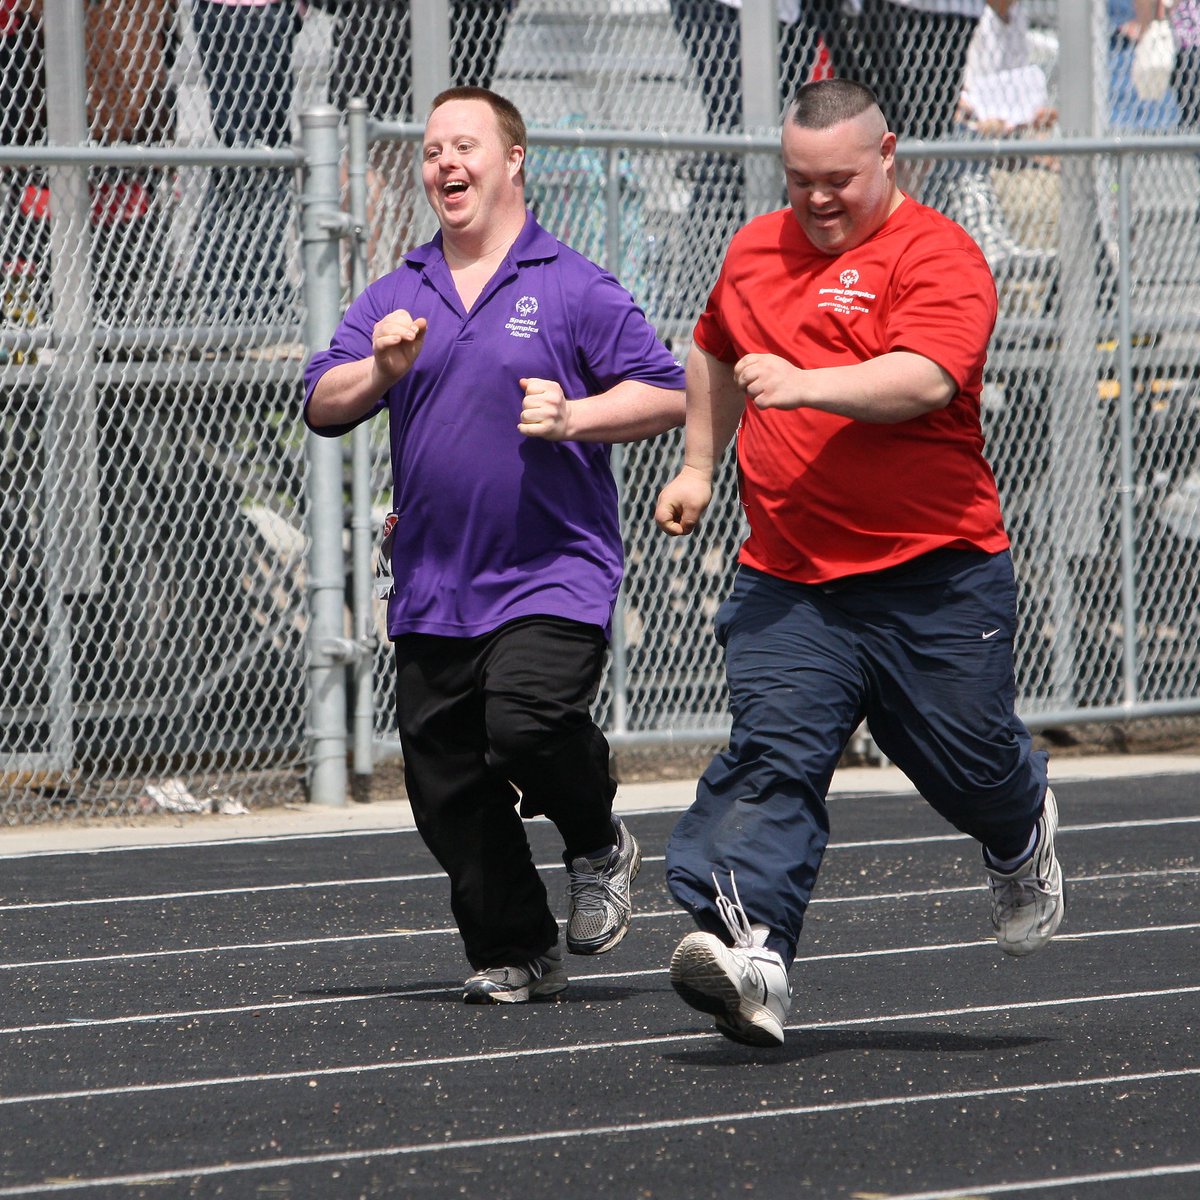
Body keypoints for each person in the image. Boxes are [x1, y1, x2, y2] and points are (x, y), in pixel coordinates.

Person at [653, 78, 1063, 1048]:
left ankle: (1018, 825)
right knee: (773, 759)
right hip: (789, 579)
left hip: (936, 574)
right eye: (799, 181)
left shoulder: (939, 254)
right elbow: (711, 348)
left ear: (890, 157)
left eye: (838, 179)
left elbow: (924, 377)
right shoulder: (753, 249)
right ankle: (753, 954)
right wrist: (699, 464)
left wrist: (805, 386)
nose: (818, 199)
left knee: (967, 765)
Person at [304, 87, 686, 1004]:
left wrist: (577, 415)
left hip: (554, 570)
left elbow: (668, 392)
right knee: (444, 784)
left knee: (525, 723)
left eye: (463, 145)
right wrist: (381, 369)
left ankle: (597, 842)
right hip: (436, 581)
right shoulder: (399, 292)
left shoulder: (571, 282)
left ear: (513, 160)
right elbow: (322, 403)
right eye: (432, 150)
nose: (445, 164)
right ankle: (517, 946)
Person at [191, 0, 302, 322]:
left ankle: (258, 292)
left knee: (265, 152)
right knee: (246, 151)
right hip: (241, 13)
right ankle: (230, 298)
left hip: (259, 12)